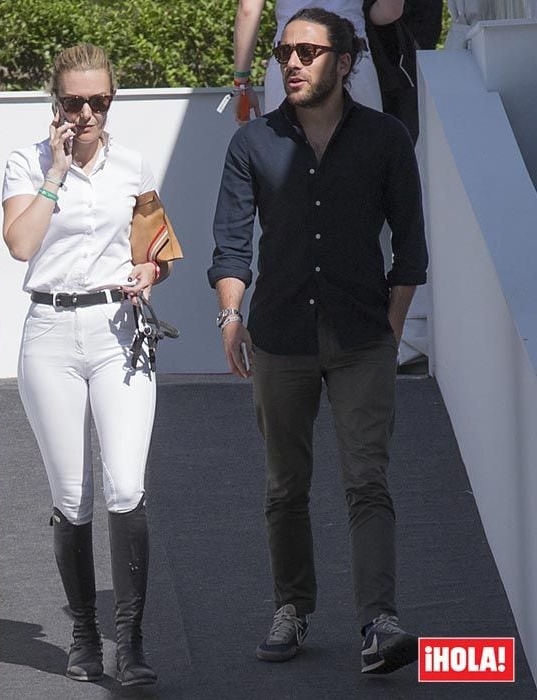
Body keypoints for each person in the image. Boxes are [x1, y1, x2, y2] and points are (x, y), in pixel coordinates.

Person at [209, 9, 427, 674]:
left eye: (307, 52)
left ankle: (379, 622)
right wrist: (230, 315)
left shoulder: (386, 139)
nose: (292, 64)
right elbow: (230, 242)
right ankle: (292, 609)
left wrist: (390, 330)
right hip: (279, 337)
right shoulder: (253, 144)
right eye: (283, 53)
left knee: (367, 481)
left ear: (345, 59)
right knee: (284, 487)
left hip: (363, 337)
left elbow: (410, 248)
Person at [2, 44, 169, 687]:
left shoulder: (133, 166)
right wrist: (56, 171)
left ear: (111, 101)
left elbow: (157, 245)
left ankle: (129, 641)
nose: (87, 112)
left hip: (117, 331)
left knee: (126, 486)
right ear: (55, 103)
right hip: (48, 331)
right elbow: (20, 243)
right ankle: (82, 631)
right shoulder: (28, 162)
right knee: (71, 496)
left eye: (99, 100)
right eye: (74, 101)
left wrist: (149, 270)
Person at [232, 0, 404, 122]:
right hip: (351, 56)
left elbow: (248, 10)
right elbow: (391, 10)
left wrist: (242, 85)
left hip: (290, 58)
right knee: (367, 157)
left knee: (284, 156)